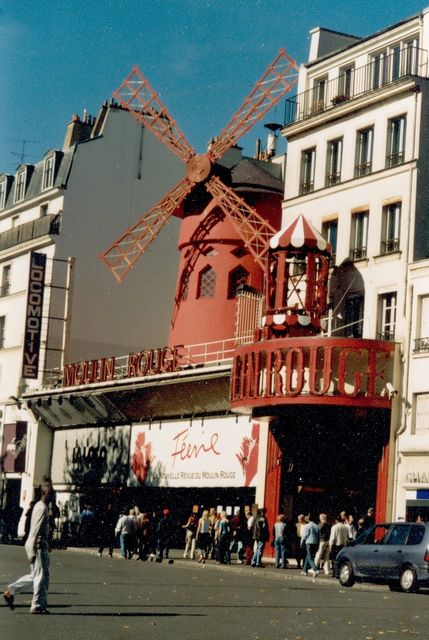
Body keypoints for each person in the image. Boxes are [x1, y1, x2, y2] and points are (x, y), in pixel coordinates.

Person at [4, 481, 54, 614]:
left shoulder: (40, 506)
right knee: (40, 576)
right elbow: (35, 530)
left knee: (36, 575)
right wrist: (31, 550)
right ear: (44, 493)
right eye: (50, 492)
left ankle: (11, 591)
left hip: (40, 545)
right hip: (37, 546)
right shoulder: (42, 508)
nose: (52, 495)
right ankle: (37, 605)